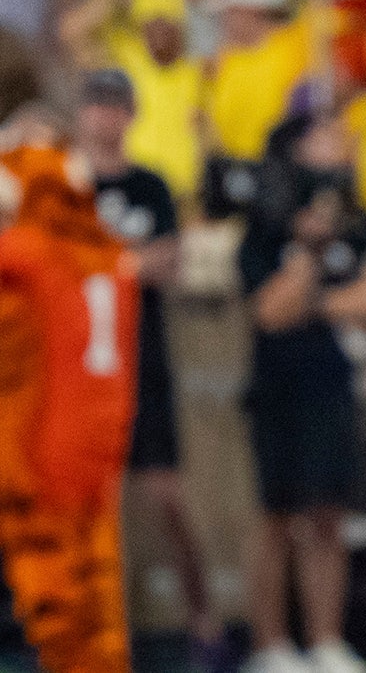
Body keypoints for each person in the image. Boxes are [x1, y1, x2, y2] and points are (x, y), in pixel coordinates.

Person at [74, 68, 230, 667]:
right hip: (82, 368)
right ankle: (91, 631)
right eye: (97, 105)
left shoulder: (149, 186)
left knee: (167, 498)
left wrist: (101, 262)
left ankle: (204, 622)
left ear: (130, 114)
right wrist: (124, 263)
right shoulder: (62, 183)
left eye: (117, 106)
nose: (105, 117)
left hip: (143, 362)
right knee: (88, 507)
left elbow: (168, 263)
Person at [237, 112, 366, 673]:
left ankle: (326, 641)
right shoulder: (264, 232)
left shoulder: (349, 229)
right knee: (275, 516)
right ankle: (270, 645)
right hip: (276, 388)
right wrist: (307, 254)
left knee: (328, 515)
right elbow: (270, 313)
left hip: (332, 384)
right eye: (323, 137)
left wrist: (313, 305)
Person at [0, 140, 139, 672]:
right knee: (98, 577)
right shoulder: (111, 256)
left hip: (45, 438)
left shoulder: (30, 249)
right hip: (103, 439)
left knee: (52, 581)